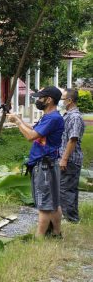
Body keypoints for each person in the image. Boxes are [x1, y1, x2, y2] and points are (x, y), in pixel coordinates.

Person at [7, 86, 64, 238]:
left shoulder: (53, 118)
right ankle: (56, 234)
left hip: (44, 166)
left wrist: (17, 123)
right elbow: (36, 131)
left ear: (49, 99)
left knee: (44, 205)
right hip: (48, 164)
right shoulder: (49, 117)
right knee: (53, 203)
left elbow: (31, 136)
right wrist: (19, 120)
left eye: (40, 97)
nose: (38, 100)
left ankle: (38, 239)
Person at [59, 89, 85, 223]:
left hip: (70, 160)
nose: (60, 101)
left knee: (66, 189)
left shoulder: (75, 117)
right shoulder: (68, 115)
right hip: (68, 159)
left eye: (62, 98)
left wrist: (64, 158)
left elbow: (73, 139)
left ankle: (70, 219)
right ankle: (72, 217)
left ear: (69, 101)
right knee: (68, 188)